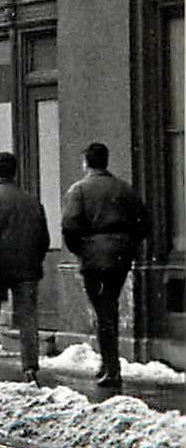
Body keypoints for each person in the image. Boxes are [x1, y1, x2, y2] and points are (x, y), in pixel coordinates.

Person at [60, 141, 152, 390]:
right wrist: (127, 243)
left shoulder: (78, 190)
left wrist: (82, 249)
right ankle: (108, 363)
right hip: (121, 256)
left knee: (103, 310)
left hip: (93, 257)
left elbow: (69, 225)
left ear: (86, 163)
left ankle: (111, 367)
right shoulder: (124, 189)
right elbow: (144, 222)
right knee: (108, 306)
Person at [0, 151, 51, 383]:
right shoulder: (32, 201)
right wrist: (34, 259)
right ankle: (30, 367)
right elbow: (43, 238)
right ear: (15, 171)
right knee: (28, 317)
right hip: (27, 267)